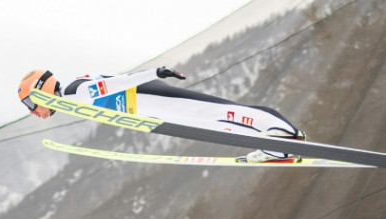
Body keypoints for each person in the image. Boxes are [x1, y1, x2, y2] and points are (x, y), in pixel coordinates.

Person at [17, 66, 306, 163]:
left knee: (218, 111)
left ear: (42, 90)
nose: (33, 112)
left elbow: (115, 84)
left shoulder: (75, 92)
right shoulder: (73, 94)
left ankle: (283, 133)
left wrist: (154, 72)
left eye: (31, 104)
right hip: (151, 107)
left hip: (150, 97)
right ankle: (274, 144)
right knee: (216, 122)